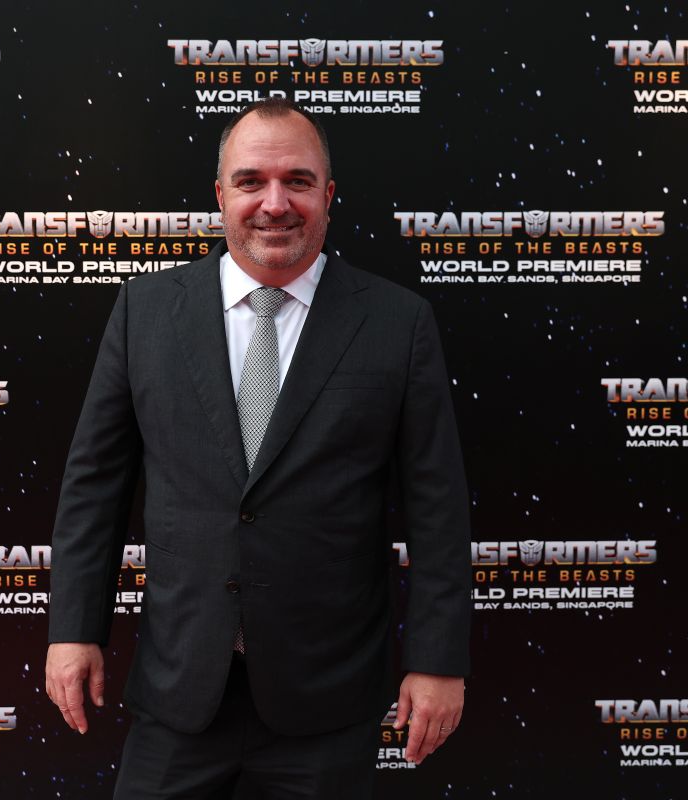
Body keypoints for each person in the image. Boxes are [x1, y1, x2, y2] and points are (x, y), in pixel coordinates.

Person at [45, 97, 471, 799]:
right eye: (252, 181)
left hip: (327, 695)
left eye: (297, 181)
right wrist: (73, 629)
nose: (275, 204)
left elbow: (438, 510)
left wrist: (438, 660)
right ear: (221, 195)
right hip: (181, 688)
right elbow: (95, 488)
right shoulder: (144, 312)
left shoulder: (399, 323)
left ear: (328, 194)